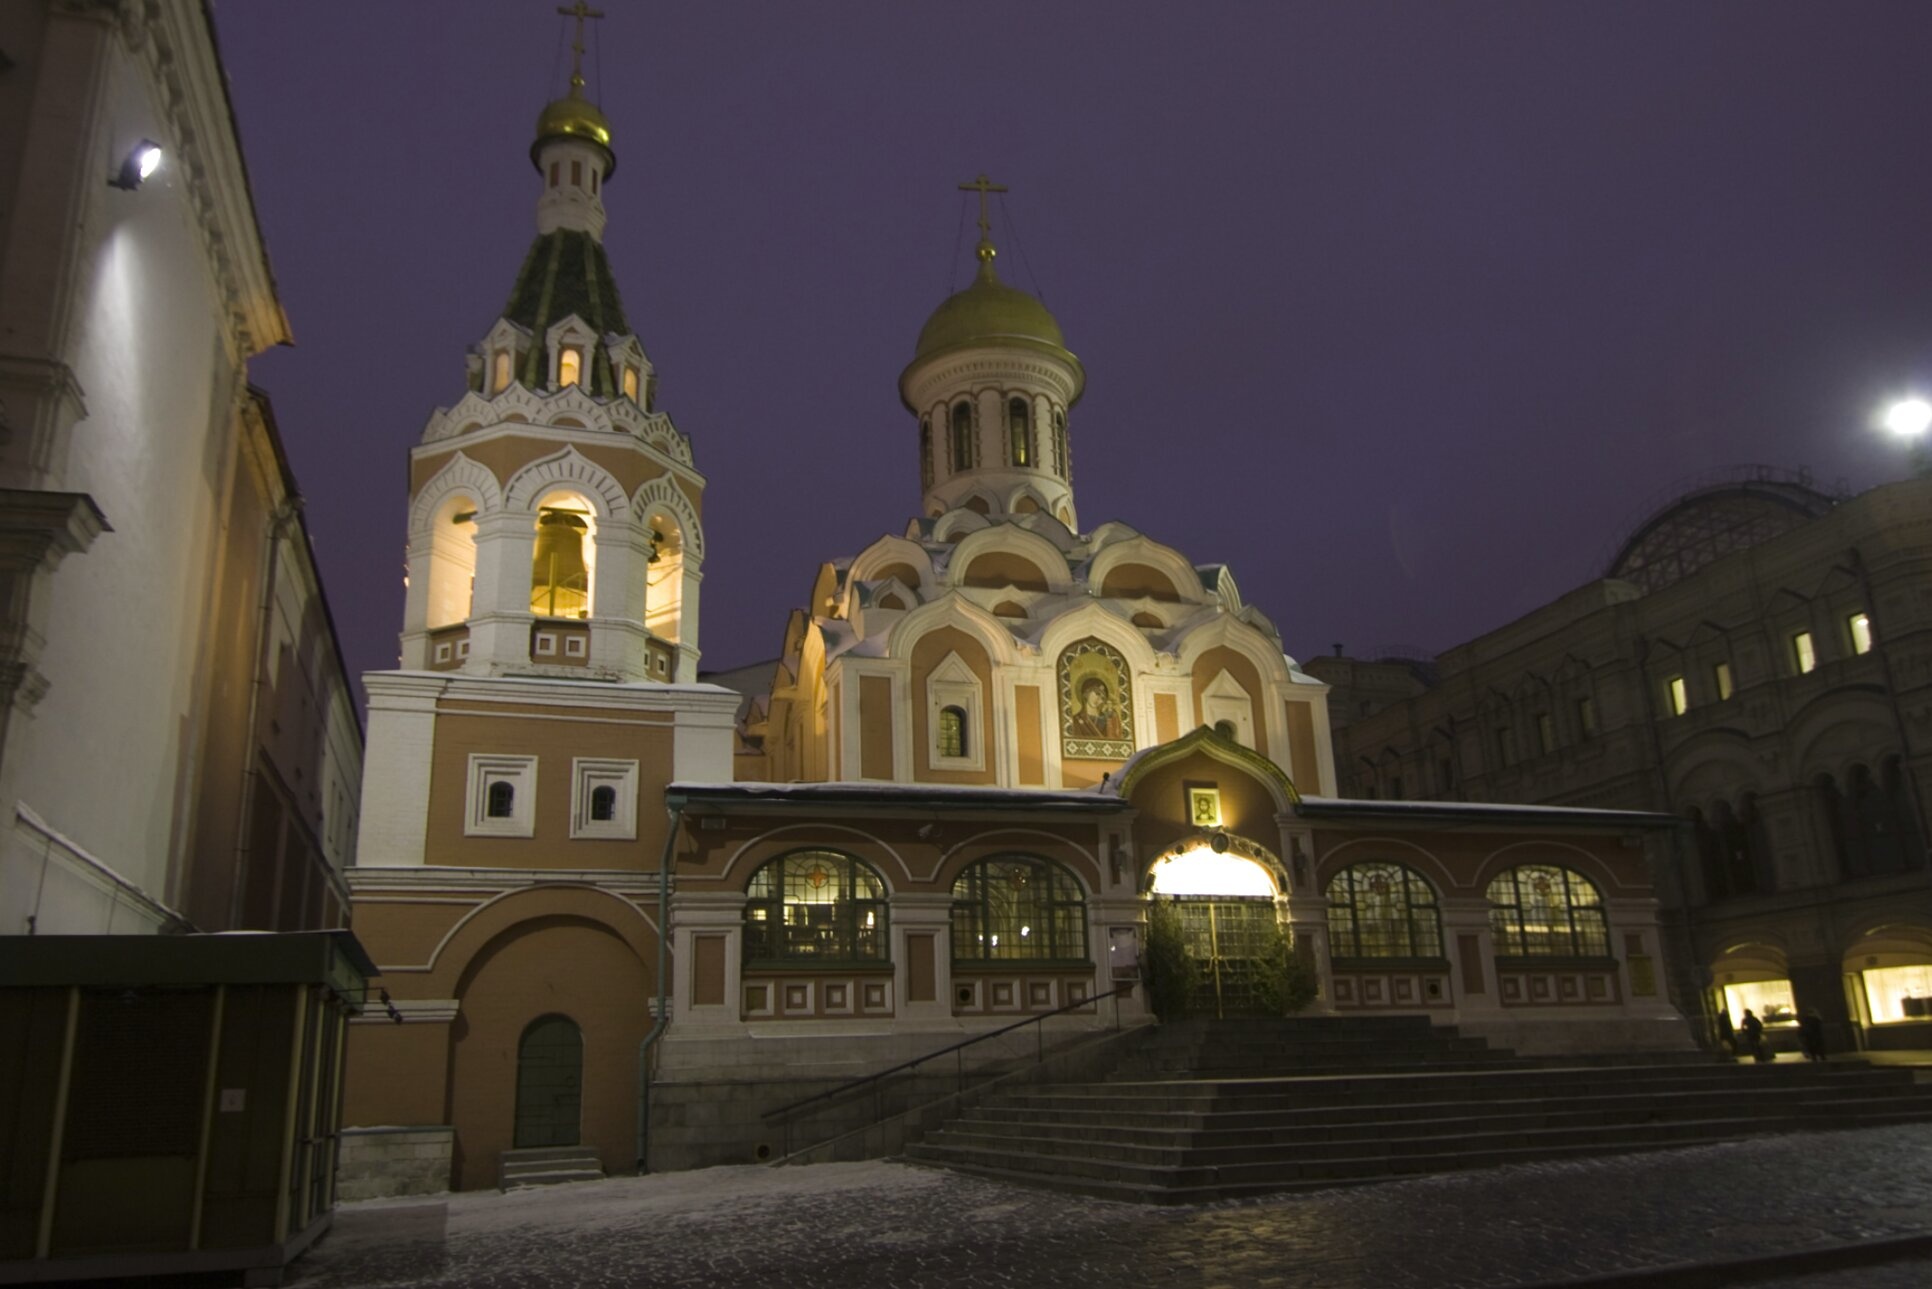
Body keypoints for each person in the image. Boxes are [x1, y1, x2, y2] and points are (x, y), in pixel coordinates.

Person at [1068, 677, 1121, 741]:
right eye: (1097, 693)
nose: (1098, 699)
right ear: (1087, 692)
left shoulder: (1107, 719)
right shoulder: (1076, 719)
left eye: (1102, 698)